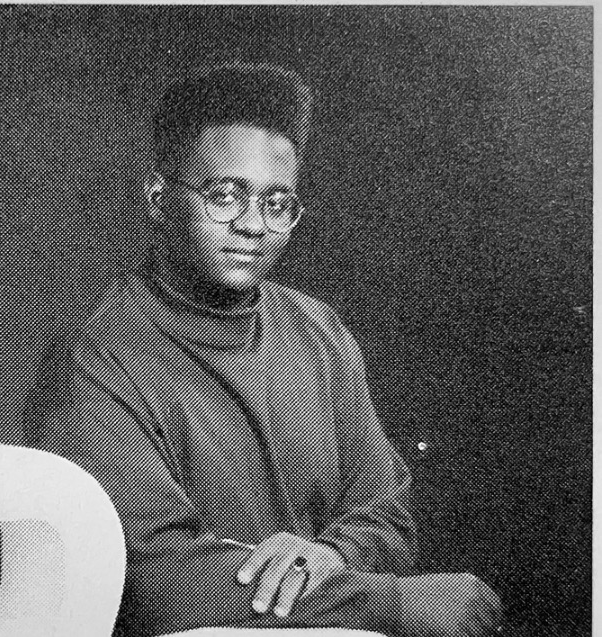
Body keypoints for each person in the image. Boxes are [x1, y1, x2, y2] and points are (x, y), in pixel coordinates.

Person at [37, 62, 503, 637]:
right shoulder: (96, 353)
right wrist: (387, 604)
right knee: (453, 609)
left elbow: (387, 510)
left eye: (277, 203)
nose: (254, 225)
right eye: (225, 197)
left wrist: (330, 556)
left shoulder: (316, 329)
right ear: (157, 199)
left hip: (325, 619)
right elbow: (153, 581)